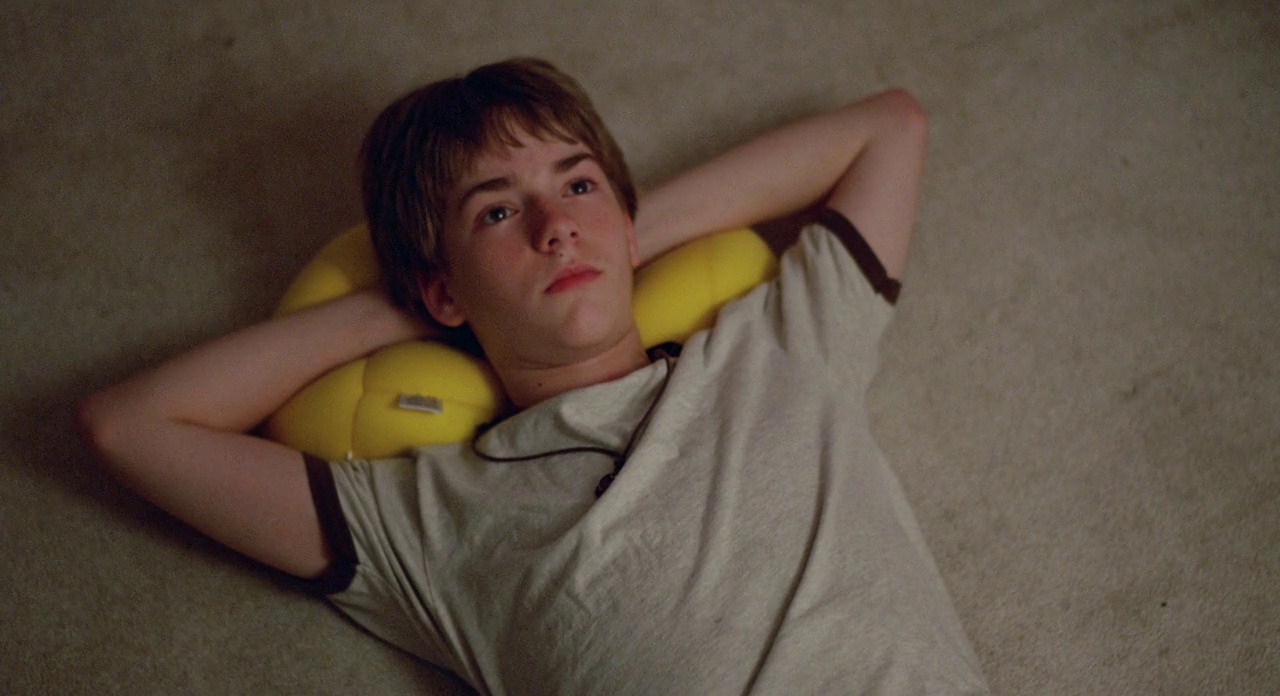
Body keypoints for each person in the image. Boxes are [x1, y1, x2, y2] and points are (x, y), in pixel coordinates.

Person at [78, 58, 988, 694]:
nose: (555, 227)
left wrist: (622, 233)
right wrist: (394, 308)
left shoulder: (780, 341)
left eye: (578, 185)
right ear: (441, 288)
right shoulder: (429, 522)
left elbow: (890, 127)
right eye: (498, 213)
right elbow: (130, 426)